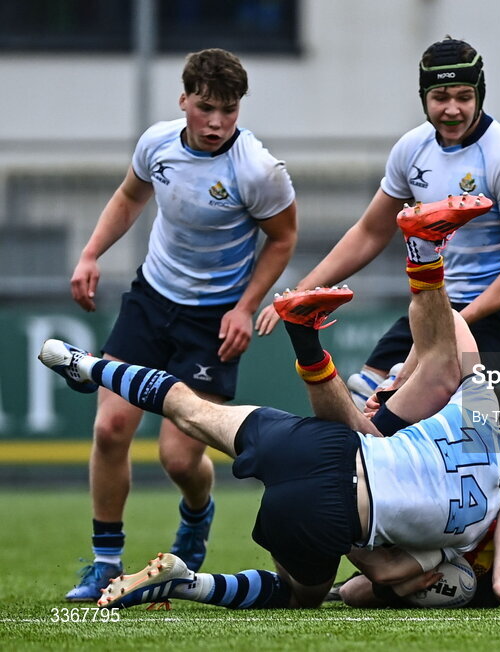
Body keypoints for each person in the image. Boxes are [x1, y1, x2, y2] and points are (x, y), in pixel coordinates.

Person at [40, 197, 500, 610]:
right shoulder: (475, 518)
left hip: (320, 444)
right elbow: (379, 577)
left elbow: (451, 333)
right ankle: (187, 583)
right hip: (327, 511)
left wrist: (404, 371)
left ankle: (87, 365)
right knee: (301, 594)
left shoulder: (474, 411)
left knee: (189, 408)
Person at [61, 48, 298, 602]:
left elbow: (282, 239)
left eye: (229, 110)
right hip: (151, 300)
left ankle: (197, 513)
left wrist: (244, 306)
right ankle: (104, 563)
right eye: (206, 108)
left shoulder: (258, 170)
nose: (217, 123)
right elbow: (130, 195)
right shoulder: (158, 143)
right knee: (109, 428)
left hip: (212, 322)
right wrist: (91, 253)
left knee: (177, 457)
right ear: (184, 100)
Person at [255, 35, 500, 407]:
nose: (452, 109)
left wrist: (455, 324)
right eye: (440, 97)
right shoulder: (412, 149)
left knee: (422, 411)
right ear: (423, 98)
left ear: (480, 95)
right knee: (365, 393)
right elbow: (370, 231)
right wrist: (301, 290)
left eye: (464, 96)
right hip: (440, 303)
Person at [331, 492, 500, 608]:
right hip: (410, 499)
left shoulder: (471, 592)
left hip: (375, 533)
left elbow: (351, 593)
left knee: (309, 594)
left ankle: (333, 518)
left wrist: (398, 591)